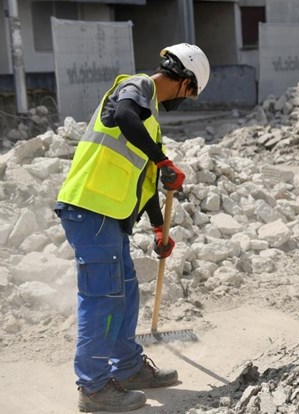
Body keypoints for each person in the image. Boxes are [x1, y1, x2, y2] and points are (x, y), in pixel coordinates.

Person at [55, 43, 210, 412]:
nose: (186, 100)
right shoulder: (137, 87)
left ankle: (126, 368)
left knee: (125, 293)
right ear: (185, 80)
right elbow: (123, 114)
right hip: (90, 207)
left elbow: (148, 183)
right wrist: (163, 160)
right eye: (191, 92)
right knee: (103, 300)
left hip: (109, 217)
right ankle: (93, 389)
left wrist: (159, 229)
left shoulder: (150, 124)